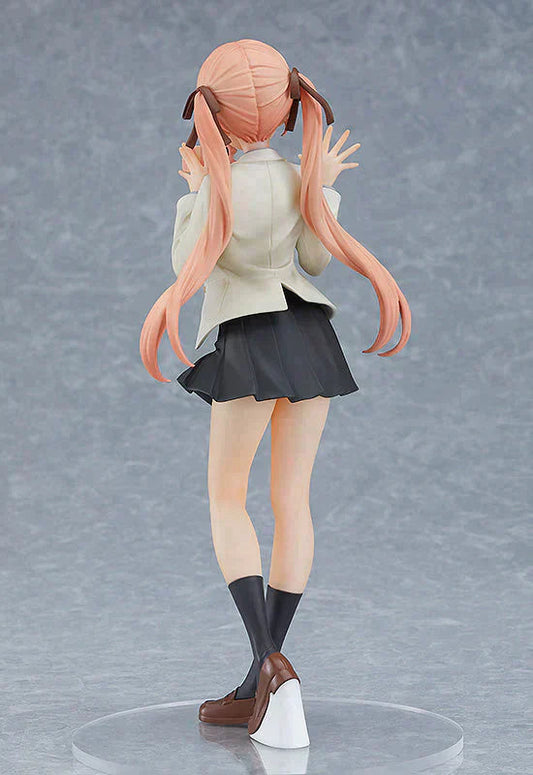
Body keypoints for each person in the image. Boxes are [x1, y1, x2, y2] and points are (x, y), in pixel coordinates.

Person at [140, 39, 411, 749]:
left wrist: (196, 190)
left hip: (251, 341)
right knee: (292, 502)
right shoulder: (297, 178)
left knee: (227, 499)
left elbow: (188, 264)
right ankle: (262, 676)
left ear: (212, 113)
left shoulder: (219, 186)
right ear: (286, 107)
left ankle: (269, 665)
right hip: (310, 335)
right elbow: (316, 259)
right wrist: (324, 186)